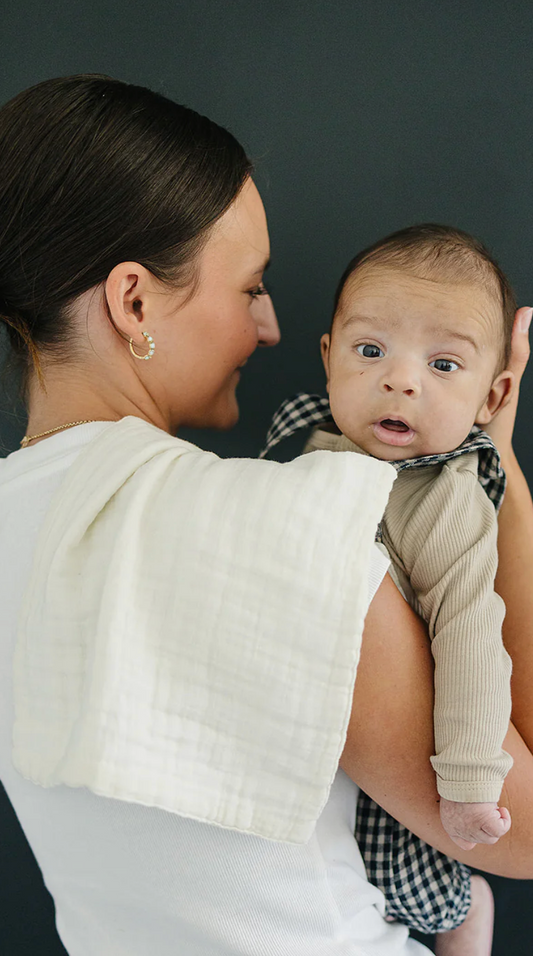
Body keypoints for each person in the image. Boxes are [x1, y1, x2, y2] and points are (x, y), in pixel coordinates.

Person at [1, 75, 533, 956]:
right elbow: (520, 831)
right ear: (134, 303)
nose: (272, 326)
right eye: (251, 286)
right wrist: (492, 464)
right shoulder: (281, 523)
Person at [260, 223, 526, 954]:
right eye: (370, 350)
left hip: (426, 735)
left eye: (443, 364)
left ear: (491, 395)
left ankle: (469, 916)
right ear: (328, 356)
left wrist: (471, 778)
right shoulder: (304, 444)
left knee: (420, 885)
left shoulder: (444, 495)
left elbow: (472, 633)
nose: (400, 380)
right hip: (312, 715)